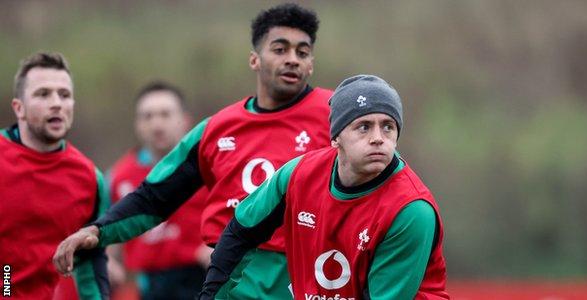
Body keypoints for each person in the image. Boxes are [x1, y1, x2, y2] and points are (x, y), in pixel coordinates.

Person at [53, 3, 332, 299]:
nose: (292, 60)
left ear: (311, 63)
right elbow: (155, 196)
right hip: (227, 284)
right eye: (280, 49)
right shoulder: (217, 129)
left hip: (302, 278)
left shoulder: (334, 115)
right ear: (254, 59)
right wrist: (98, 231)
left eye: (302, 53)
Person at [199, 75, 449, 299]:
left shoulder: (411, 210)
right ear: (335, 137)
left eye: (388, 127)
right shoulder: (298, 175)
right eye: (364, 127)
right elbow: (241, 233)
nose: (378, 138)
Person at [0, 52, 110, 299]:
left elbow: (91, 262)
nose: (57, 103)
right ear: (19, 108)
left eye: (64, 95)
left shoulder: (89, 178)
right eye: (43, 94)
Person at [107, 82, 210, 299]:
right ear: (137, 123)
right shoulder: (118, 176)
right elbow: (110, 236)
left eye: (165, 114)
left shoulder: (209, 166)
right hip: (151, 285)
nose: (157, 124)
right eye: (148, 116)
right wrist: (107, 264)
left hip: (206, 278)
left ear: (185, 120)